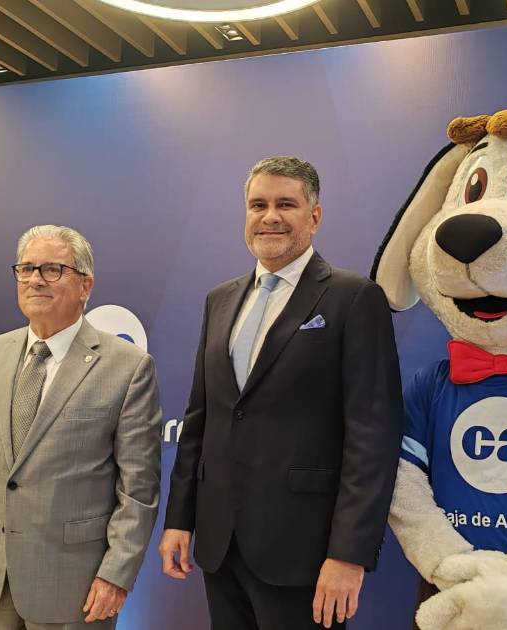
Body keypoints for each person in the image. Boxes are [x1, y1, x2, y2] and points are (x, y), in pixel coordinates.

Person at [159, 157, 403, 630]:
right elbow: (201, 419)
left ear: (314, 216)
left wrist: (348, 554)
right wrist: (179, 518)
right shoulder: (219, 300)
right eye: (258, 205)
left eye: (285, 204)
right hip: (220, 546)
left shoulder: (354, 297)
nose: (270, 216)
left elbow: (372, 436)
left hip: (305, 554)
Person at [0, 225, 162, 629]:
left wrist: (116, 574)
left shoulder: (128, 367)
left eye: (52, 269)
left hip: (74, 587)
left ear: (85, 285)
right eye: (26, 268)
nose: (35, 279)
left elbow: (138, 486)